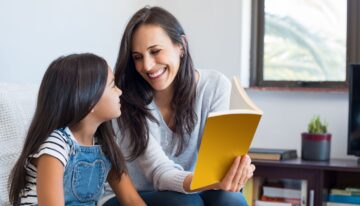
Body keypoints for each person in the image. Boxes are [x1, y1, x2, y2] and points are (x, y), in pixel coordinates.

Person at [102, 6, 255, 206]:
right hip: (135, 195)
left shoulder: (215, 86)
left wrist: (234, 170)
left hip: (188, 188)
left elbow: (215, 163)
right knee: (187, 204)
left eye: (155, 51)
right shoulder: (126, 100)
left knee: (231, 200)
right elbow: (160, 173)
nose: (147, 65)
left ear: (181, 45)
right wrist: (205, 182)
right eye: (138, 57)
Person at [8, 53, 146, 206]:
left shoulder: (105, 145)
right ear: (89, 99)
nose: (119, 91)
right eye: (113, 85)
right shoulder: (55, 146)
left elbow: (132, 200)